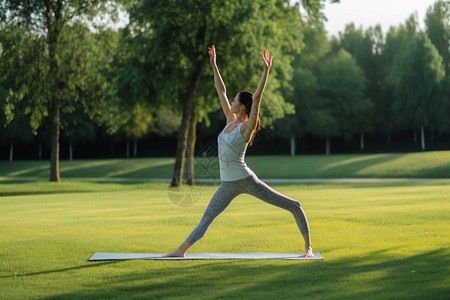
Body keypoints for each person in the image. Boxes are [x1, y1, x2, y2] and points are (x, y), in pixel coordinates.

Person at [165, 45, 314, 258]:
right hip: (227, 184)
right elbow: (221, 91)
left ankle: (308, 248)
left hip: (245, 180)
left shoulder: (247, 127)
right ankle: (180, 251)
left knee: (293, 205)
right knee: (206, 218)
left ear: (243, 107)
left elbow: (259, 96)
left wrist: (266, 71)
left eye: (235, 100)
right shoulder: (230, 120)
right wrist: (214, 65)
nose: (231, 102)